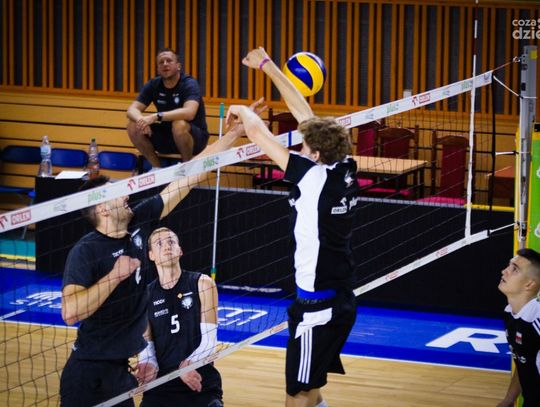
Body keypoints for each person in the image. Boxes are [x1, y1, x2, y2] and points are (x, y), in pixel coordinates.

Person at [60, 98, 266, 407]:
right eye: (116, 193)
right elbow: (70, 313)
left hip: (121, 370)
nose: (126, 193)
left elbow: (192, 173)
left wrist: (235, 133)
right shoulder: (86, 251)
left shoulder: (140, 222)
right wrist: (114, 277)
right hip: (87, 371)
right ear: (102, 208)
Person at [227, 47, 359, 407]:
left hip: (316, 311)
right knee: (311, 389)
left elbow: (258, 134)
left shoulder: (312, 179)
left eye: (304, 144)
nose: (300, 146)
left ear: (315, 155)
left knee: (296, 396)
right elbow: (305, 114)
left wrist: (239, 110)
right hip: (340, 300)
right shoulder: (345, 166)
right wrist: (268, 66)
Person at [135, 227, 222, 407]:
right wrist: (147, 363)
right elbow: (147, 346)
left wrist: (190, 364)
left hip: (199, 379)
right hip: (161, 385)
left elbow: (210, 341)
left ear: (180, 250)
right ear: (151, 255)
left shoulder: (203, 283)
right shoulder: (145, 296)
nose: (167, 246)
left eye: (171, 242)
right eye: (159, 243)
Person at [127, 48, 208, 166]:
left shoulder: (189, 83)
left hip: (194, 138)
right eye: (161, 62)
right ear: (158, 69)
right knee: (133, 126)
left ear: (178, 66)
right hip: (167, 135)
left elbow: (189, 113)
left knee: (179, 124)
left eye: (169, 61)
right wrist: (141, 120)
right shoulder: (153, 84)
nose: (165, 64)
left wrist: (156, 116)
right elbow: (131, 110)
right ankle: (157, 169)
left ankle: (186, 168)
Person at [497, 248, 540, 407]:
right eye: (509, 266)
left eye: (514, 269)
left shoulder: (536, 320)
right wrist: (509, 399)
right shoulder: (510, 313)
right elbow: (524, 361)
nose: (504, 271)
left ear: (529, 284)